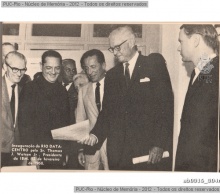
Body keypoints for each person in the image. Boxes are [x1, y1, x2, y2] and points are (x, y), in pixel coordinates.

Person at [81, 26, 174, 170]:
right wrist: (95, 135)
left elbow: (165, 108)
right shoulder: (111, 75)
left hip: (147, 151)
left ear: (131, 42)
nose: (115, 53)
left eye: (117, 47)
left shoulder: (153, 66)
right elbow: (107, 113)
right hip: (118, 154)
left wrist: (159, 143)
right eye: (112, 49)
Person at [175, 25, 219, 172]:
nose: (178, 48)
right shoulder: (201, 71)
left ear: (195, 40)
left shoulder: (216, 73)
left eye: (181, 41)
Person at [18, 50, 70, 169]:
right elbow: (24, 125)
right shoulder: (30, 89)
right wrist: (31, 153)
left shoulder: (62, 91)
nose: (53, 72)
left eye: (57, 68)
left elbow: (66, 123)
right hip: (37, 152)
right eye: (48, 67)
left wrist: (65, 151)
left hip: (57, 152)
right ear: (41, 66)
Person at [76, 49, 109, 170]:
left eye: (93, 66)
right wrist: (80, 149)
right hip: (91, 150)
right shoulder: (83, 90)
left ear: (104, 65)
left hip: (113, 148)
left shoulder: (116, 85)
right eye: (86, 68)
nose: (89, 72)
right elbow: (80, 121)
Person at [1, 51, 27, 167]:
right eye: (15, 69)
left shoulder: (23, 90)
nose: (19, 74)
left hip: (16, 151)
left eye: (22, 69)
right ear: (5, 66)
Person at [60, 58, 79, 169]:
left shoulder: (79, 88)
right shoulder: (56, 87)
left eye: (74, 70)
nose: (72, 73)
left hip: (73, 138)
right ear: (61, 70)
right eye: (68, 70)